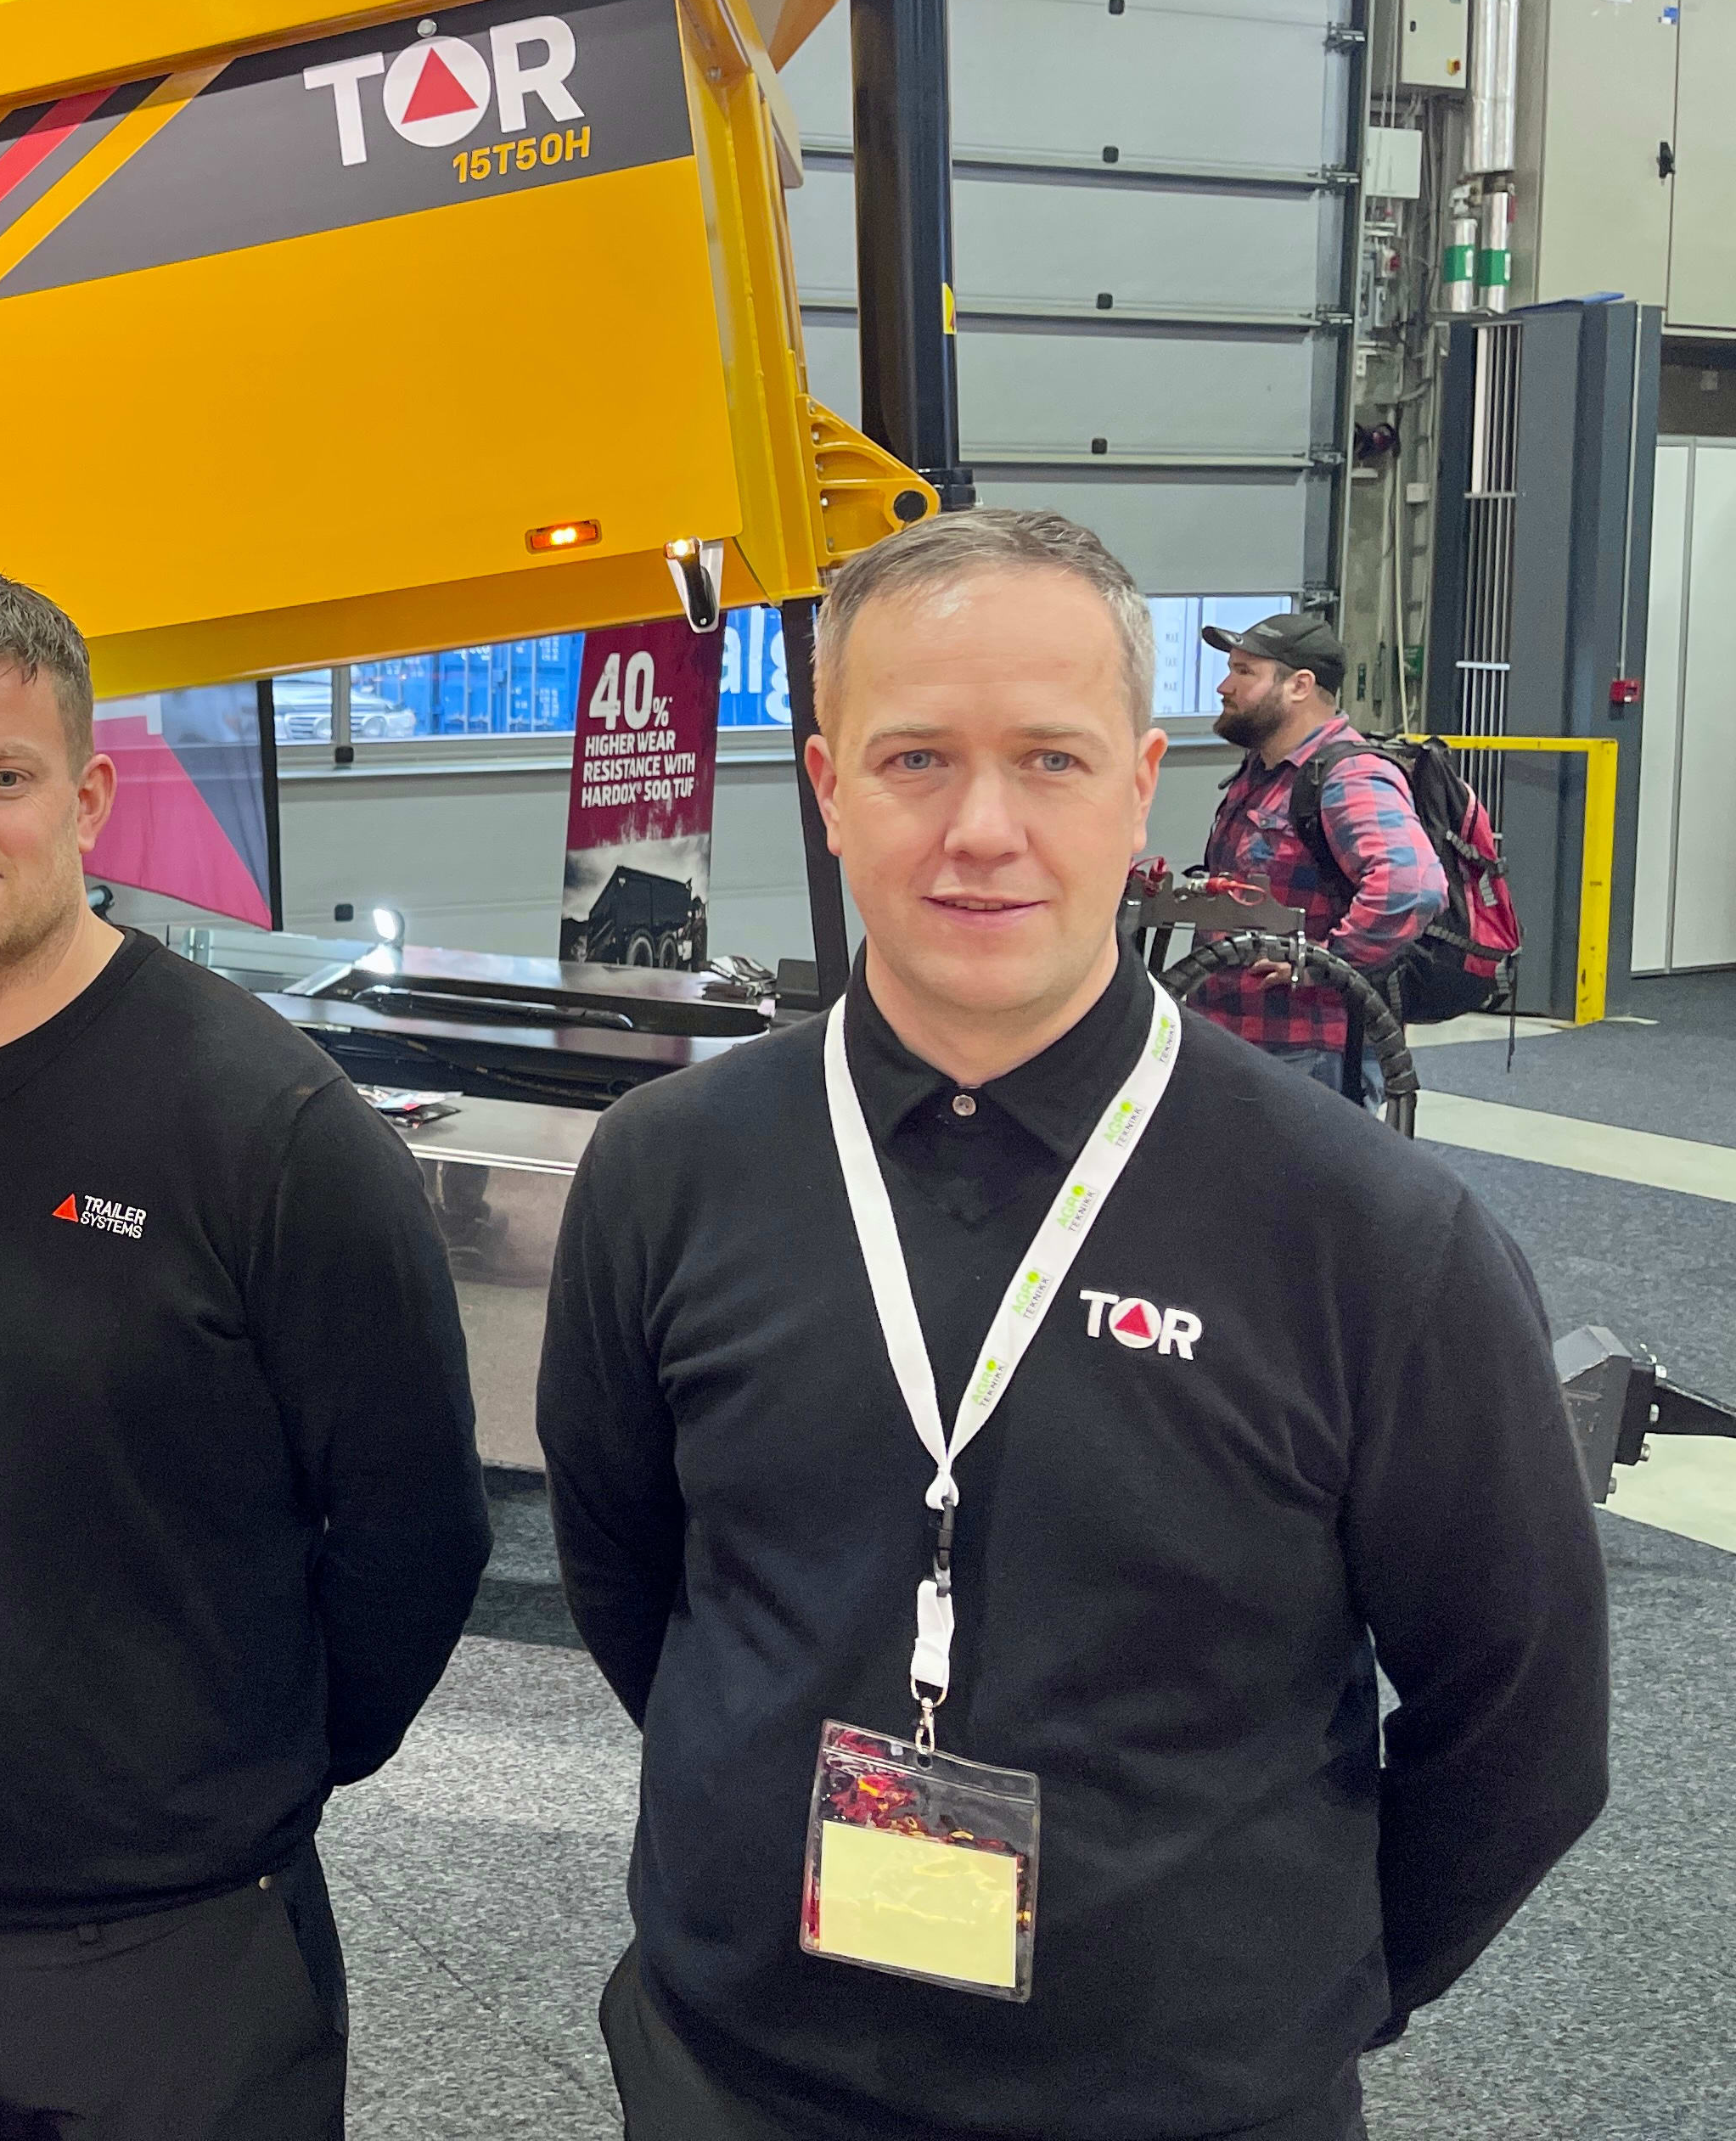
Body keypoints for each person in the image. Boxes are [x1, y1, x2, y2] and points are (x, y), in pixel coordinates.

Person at [538, 509, 1608, 2141]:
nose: (981, 829)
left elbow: (1521, 1714)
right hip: (735, 2068)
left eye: (1048, 757)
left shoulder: (1365, 1230)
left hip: (1184, 2100)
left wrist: (1296, 1989)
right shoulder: (667, 1168)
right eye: (913, 758)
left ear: (1138, 786)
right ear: (827, 785)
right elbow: (632, 1578)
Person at [0, 569, 490, 2141]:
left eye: (2, 776)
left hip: (177, 1950)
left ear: (86, 801)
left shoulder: (272, 1128)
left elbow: (415, 1530)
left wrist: (250, 1772)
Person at [1194, 610, 1445, 1103]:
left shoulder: (1349, 775)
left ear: (1300, 686)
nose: (1225, 687)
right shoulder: (1264, 772)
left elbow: (1411, 885)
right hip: (1239, 1035)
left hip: (1309, 1051)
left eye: (1245, 672)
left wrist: (1322, 963)